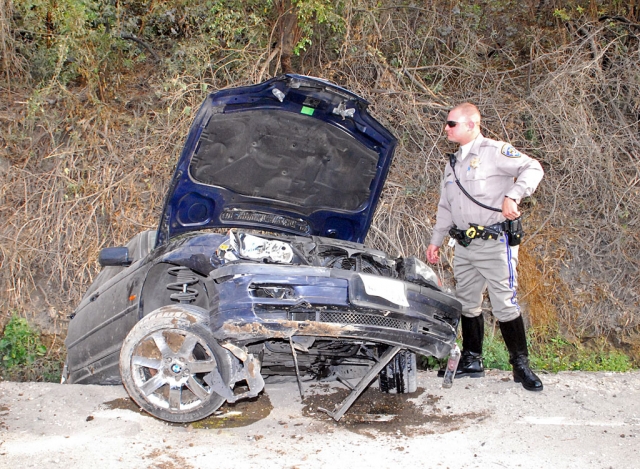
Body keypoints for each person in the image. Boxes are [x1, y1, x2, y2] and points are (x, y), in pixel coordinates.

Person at [426, 103, 544, 391]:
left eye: (451, 123)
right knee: (468, 303)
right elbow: (446, 205)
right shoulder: (451, 163)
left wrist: (513, 196)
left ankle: (520, 365)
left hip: (494, 244)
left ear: (471, 124)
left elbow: (533, 167)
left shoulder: (495, 151)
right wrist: (435, 240)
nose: (446, 128)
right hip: (464, 246)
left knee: (505, 304)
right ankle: (472, 360)